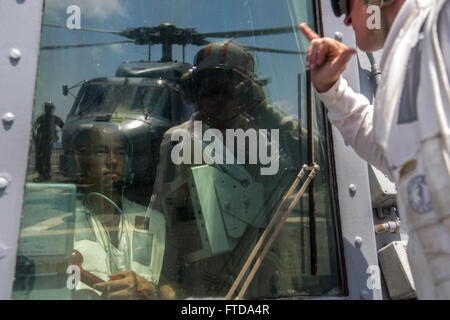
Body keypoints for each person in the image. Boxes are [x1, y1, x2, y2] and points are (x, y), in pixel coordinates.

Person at [299, 0, 450, 299]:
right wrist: (332, 88)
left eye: (343, 5)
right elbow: (391, 151)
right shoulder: (406, 56)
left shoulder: (441, 23)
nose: (343, 21)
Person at [148, 41, 314, 298]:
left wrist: (265, 112)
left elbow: (317, 165)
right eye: (211, 89)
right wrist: (166, 281)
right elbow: (162, 213)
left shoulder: (263, 138)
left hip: (255, 276)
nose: (220, 99)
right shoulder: (178, 140)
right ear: (195, 91)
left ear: (247, 94)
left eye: (230, 90)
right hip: (197, 277)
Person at [71, 122, 174, 299]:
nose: (113, 161)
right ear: (80, 160)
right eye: (101, 151)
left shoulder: (153, 221)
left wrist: (152, 290)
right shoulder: (64, 223)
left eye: (119, 152)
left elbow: (174, 288)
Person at [33, 101, 64, 182]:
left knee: (46, 158)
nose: (48, 109)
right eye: (47, 108)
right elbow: (34, 127)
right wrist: (36, 138)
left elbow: (63, 127)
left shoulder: (55, 119)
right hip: (41, 142)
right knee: (41, 158)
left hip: (48, 142)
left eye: (49, 108)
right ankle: (42, 174)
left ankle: (46, 174)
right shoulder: (41, 118)